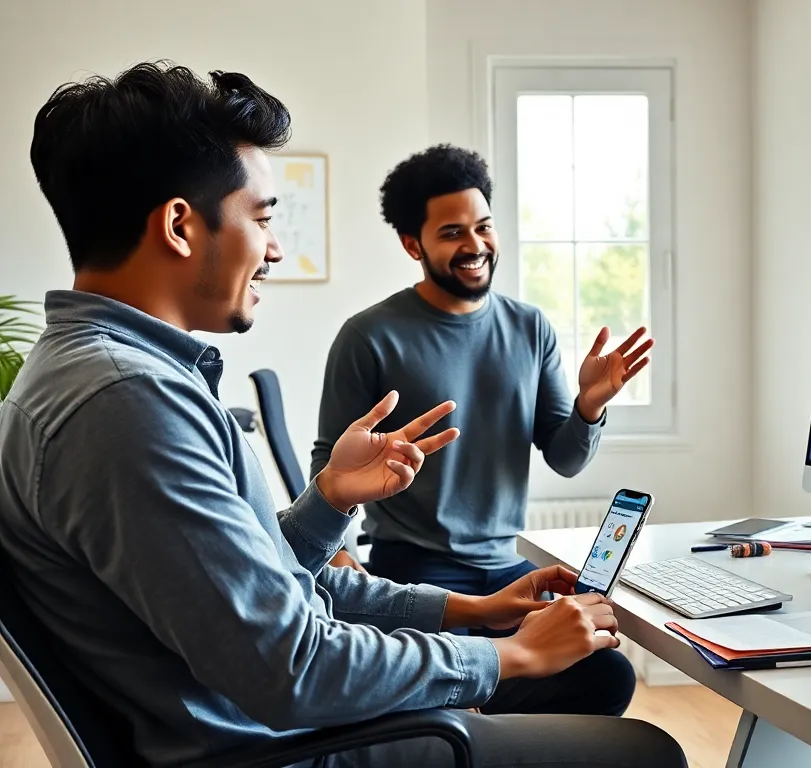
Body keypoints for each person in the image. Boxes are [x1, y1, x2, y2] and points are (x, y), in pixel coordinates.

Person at [0, 60, 684, 768]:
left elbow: (258, 589)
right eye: (262, 218)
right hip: (279, 747)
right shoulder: (126, 403)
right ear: (179, 225)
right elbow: (289, 666)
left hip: (267, 720)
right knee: (644, 753)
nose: (275, 249)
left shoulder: (98, 376)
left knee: (594, 679)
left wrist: (336, 508)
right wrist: (500, 656)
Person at [309, 145, 653, 618]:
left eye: (483, 226)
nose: (475, 244)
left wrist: (589, 407)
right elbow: (331, 461)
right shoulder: (368, 336)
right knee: (461, 682)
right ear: (414, 245)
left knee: (604, 673)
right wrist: (341, 555)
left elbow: (566, 459)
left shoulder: (530, 327)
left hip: (508, 563)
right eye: (452, 233)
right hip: (413, 567)